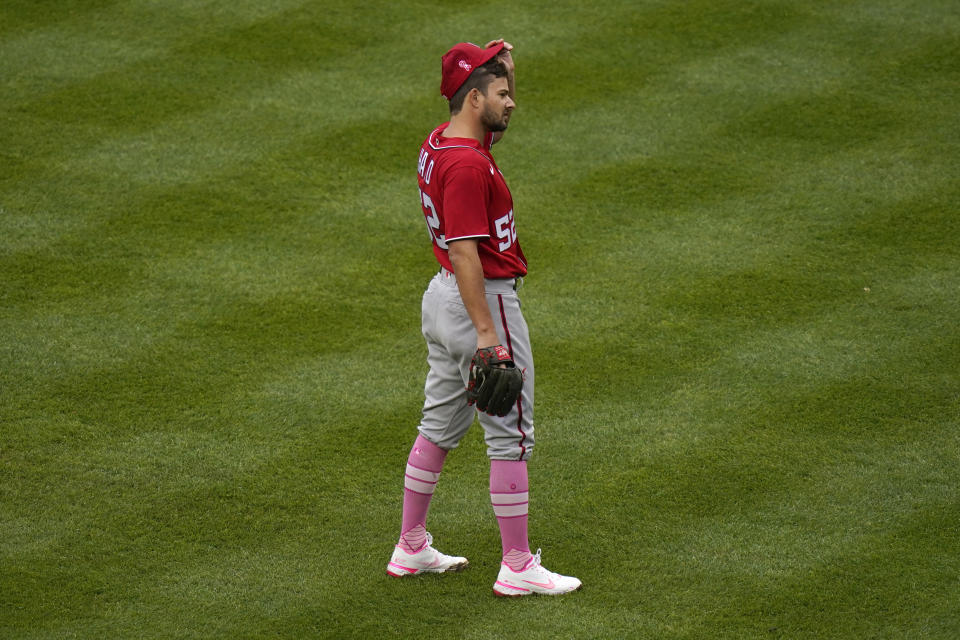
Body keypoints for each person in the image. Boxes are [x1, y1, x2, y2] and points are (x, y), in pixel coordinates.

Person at [386, 39, 581, 597]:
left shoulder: (442, 141)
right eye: (501, 92)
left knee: (439, 424)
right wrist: (491, 337)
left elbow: (491, 114)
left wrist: (506, 71)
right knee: (510, 434)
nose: (511, 102)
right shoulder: (468, 167)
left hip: (442, 299)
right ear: (475, 99)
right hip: (481, 299)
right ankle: (518, 565)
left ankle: (411, 545)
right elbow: (468, 251)